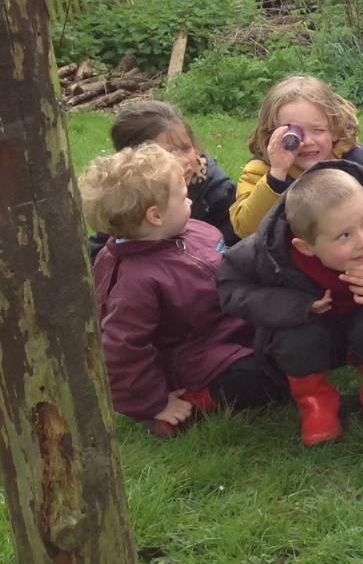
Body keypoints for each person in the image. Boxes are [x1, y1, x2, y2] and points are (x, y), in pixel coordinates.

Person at [217, 162, 363, 446]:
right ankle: (315, 401)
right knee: (297, 337)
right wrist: (296, 305)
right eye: (344, 235)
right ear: (305, 247)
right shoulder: (269, 252)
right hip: (314, 328)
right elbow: (230, 287)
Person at [79, 143, 282, 436]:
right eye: (183, 197)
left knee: (288, 340)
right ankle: (196, 400)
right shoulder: (135, 281)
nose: (189, 202)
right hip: (196, 355)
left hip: (229, 324)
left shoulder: (192, 231)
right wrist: (153, 403)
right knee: (262, 377)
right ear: (155, 216)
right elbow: (122, 350)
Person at [232, 76, 363, 239]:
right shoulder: (260, 171)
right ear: (271, 135)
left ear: (335, 130)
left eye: (318, 130)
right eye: (294, 134)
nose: (307, 142)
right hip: (293, 260)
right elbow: (245, 230)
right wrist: (276, 176)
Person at [86, 98, 239, 261]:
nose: (184, 160)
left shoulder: (219, 194)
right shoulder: (130, 196)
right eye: (170, 154)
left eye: (187, 148)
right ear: (136, 162)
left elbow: (237, 253)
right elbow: (99, 250)